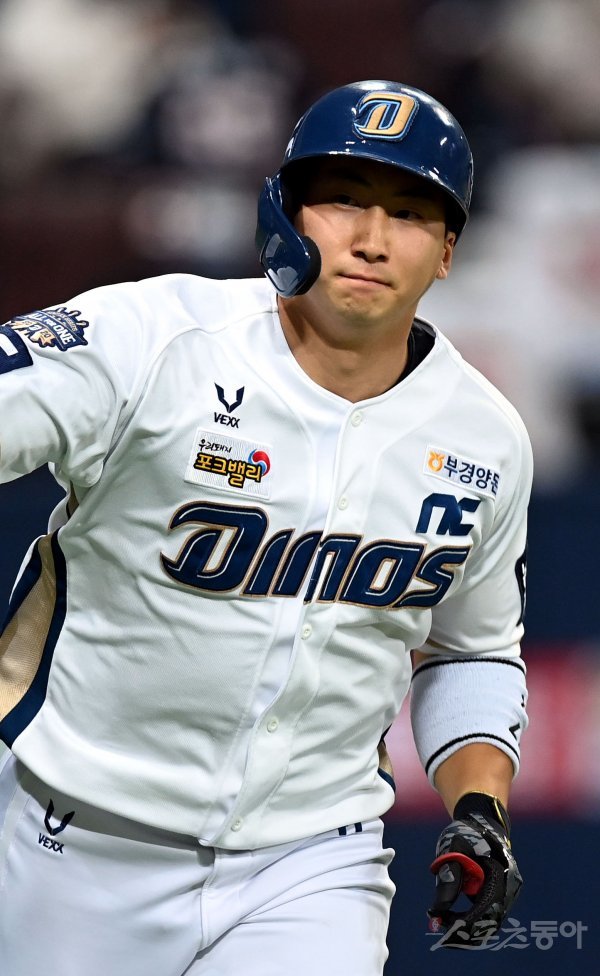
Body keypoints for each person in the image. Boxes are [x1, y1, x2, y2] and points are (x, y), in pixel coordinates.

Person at [0, 80, 531, 974]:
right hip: (74, 839)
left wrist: (480, 807)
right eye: (344, 198)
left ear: (447, 251)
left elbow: (470, 650)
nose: (371, 238)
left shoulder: (486, 437)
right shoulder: (152, 338)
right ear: (285, 210)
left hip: (313, 862)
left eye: (409, 213)